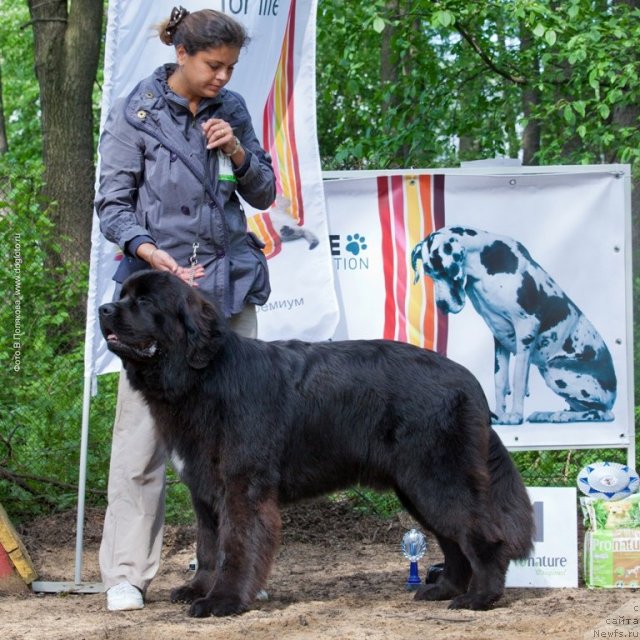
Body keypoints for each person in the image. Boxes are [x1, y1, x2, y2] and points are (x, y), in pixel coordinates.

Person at [94, 6, 276, 611]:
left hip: (227, 294)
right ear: (183, 55)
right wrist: (150, 252)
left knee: (239, 448)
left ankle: (228, 570)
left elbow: (265, 192)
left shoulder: (233, 110)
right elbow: (112, 205)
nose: (222, 77)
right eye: (213, 65)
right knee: (142, 440)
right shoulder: (137, 113)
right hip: (156, 304)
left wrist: (242, 156)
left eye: (229, 67)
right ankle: (126, 571)